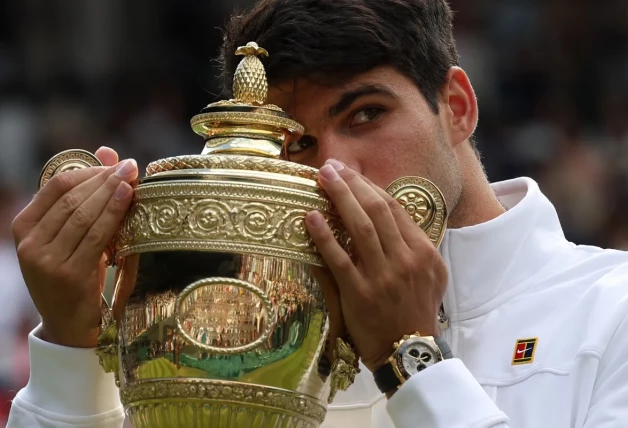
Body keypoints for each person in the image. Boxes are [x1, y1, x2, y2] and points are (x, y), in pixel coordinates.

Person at [7, 0, 628, 427]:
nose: (335, 171)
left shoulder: (611, 306)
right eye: (297, 144)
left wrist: (410, 362)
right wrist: (71, 345)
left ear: (458, 107)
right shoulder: (238, 339)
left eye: (366, 115)